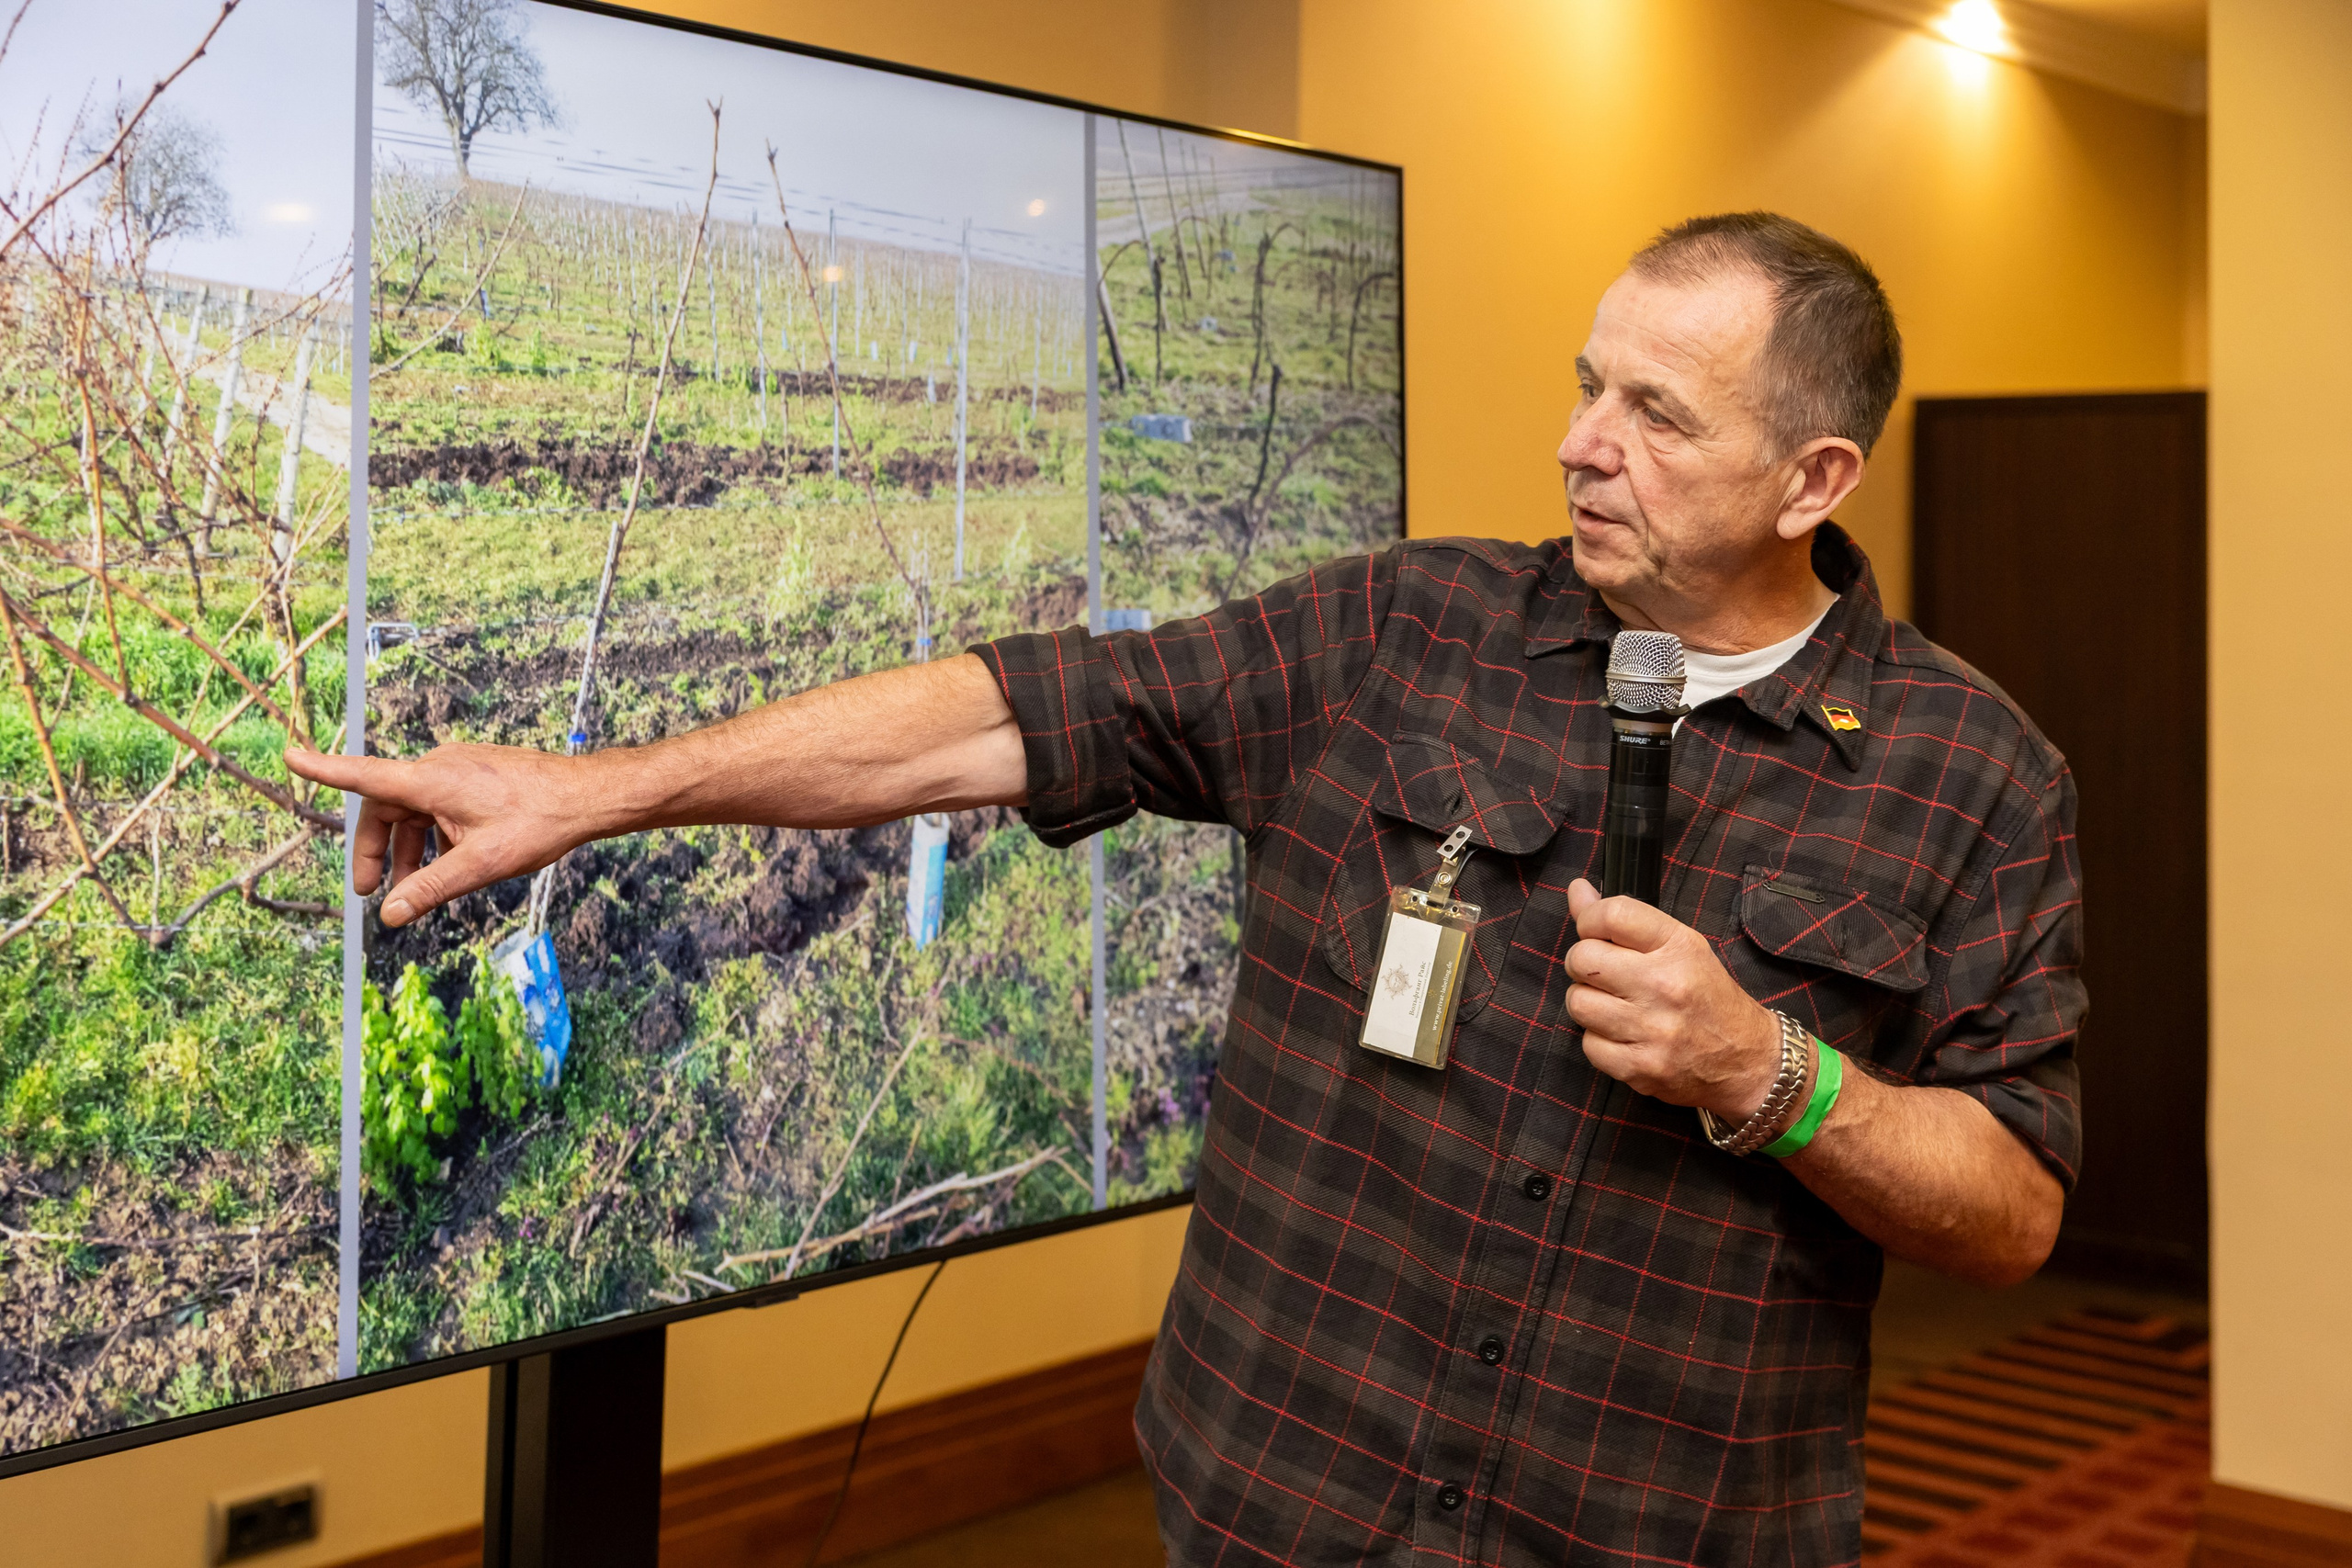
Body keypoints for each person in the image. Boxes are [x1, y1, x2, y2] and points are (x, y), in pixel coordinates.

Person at [292, 211, 2080, 1567]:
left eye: (1654, 412)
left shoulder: (1971, 775)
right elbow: (1009, 715)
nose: (1579, 441)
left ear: (1810, 477)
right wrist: (594, 790)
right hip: (1277, 1501)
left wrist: (1773, 1075)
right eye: (1582, 383)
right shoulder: (1398, 630)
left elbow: (2008, 1210)